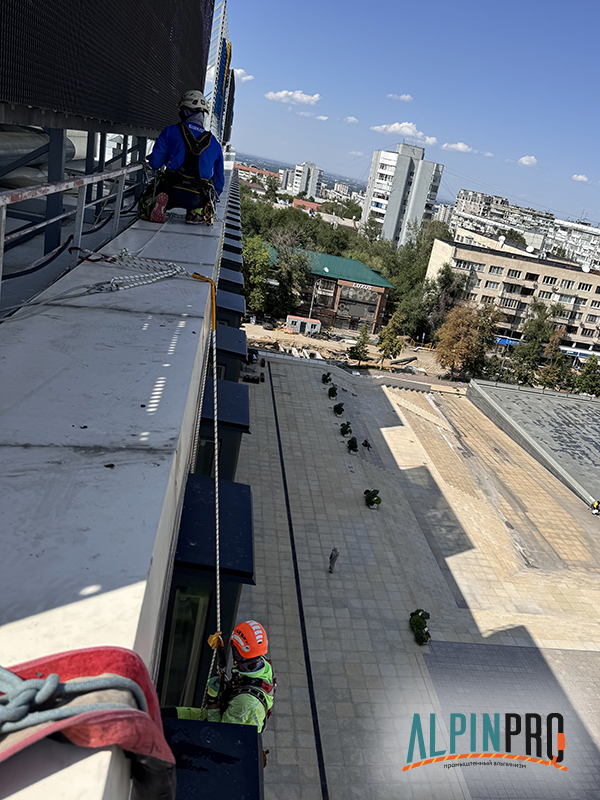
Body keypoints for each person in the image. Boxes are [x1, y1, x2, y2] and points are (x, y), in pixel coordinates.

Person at [147, 90, 224, 225]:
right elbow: (219, 182)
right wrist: (210, 198)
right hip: (197, 195)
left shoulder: (170, 131)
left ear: (186, 111)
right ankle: (195, 212)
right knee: (202, 200)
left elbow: (155, 163)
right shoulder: (214, 143)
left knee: (146, 201)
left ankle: (159, 204)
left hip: (170, 188)